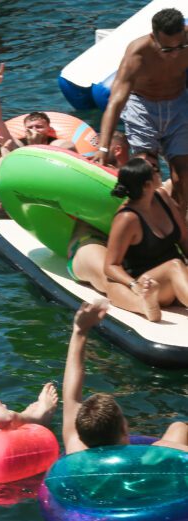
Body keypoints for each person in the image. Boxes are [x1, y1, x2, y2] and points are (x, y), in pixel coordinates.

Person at [62, 301, 188, 454]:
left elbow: (71, 396)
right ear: (124, 427)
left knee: (178, 428)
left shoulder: (74, 447)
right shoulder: (149, 460)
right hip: (151, 467)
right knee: (179, 429)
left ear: (81, 435)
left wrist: (79, 331)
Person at [94, 8, 188, 212]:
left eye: (180, 46)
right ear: (154, 37)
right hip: (142, 108)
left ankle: (180, 226)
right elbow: (116, 102)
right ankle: (143, 218)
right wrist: (103, 147)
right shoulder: (137, 52)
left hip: (178, 105)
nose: (175, 54)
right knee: (145, 170)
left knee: (183, 174)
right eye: (167, 50)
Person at [104, 157, 188, 321]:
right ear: (147, 185)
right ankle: (145, 303)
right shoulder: (127, 218)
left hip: (176, 279)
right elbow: (110, 265)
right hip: (148, 283)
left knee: (177, 267)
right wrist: (134, 285)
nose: (160, 173)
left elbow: (184, 239)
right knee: (175, 266)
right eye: (156, 171)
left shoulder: (162, 197)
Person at [66, 133, 131, 292]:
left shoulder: (142, 183)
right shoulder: (91, 175)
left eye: (100, 148)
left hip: (128, 254)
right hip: (91, 241)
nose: (95, 152)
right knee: (111, 281)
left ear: (116, 150)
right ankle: (146, 305)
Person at [0, 63, 75, 152]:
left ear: (49, 129)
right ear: (25, 131)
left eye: (39, 126)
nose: (34, 130)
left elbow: (69, 148)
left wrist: (35, 144)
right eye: (30, 127)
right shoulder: (16, 146)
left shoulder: (59, 145)